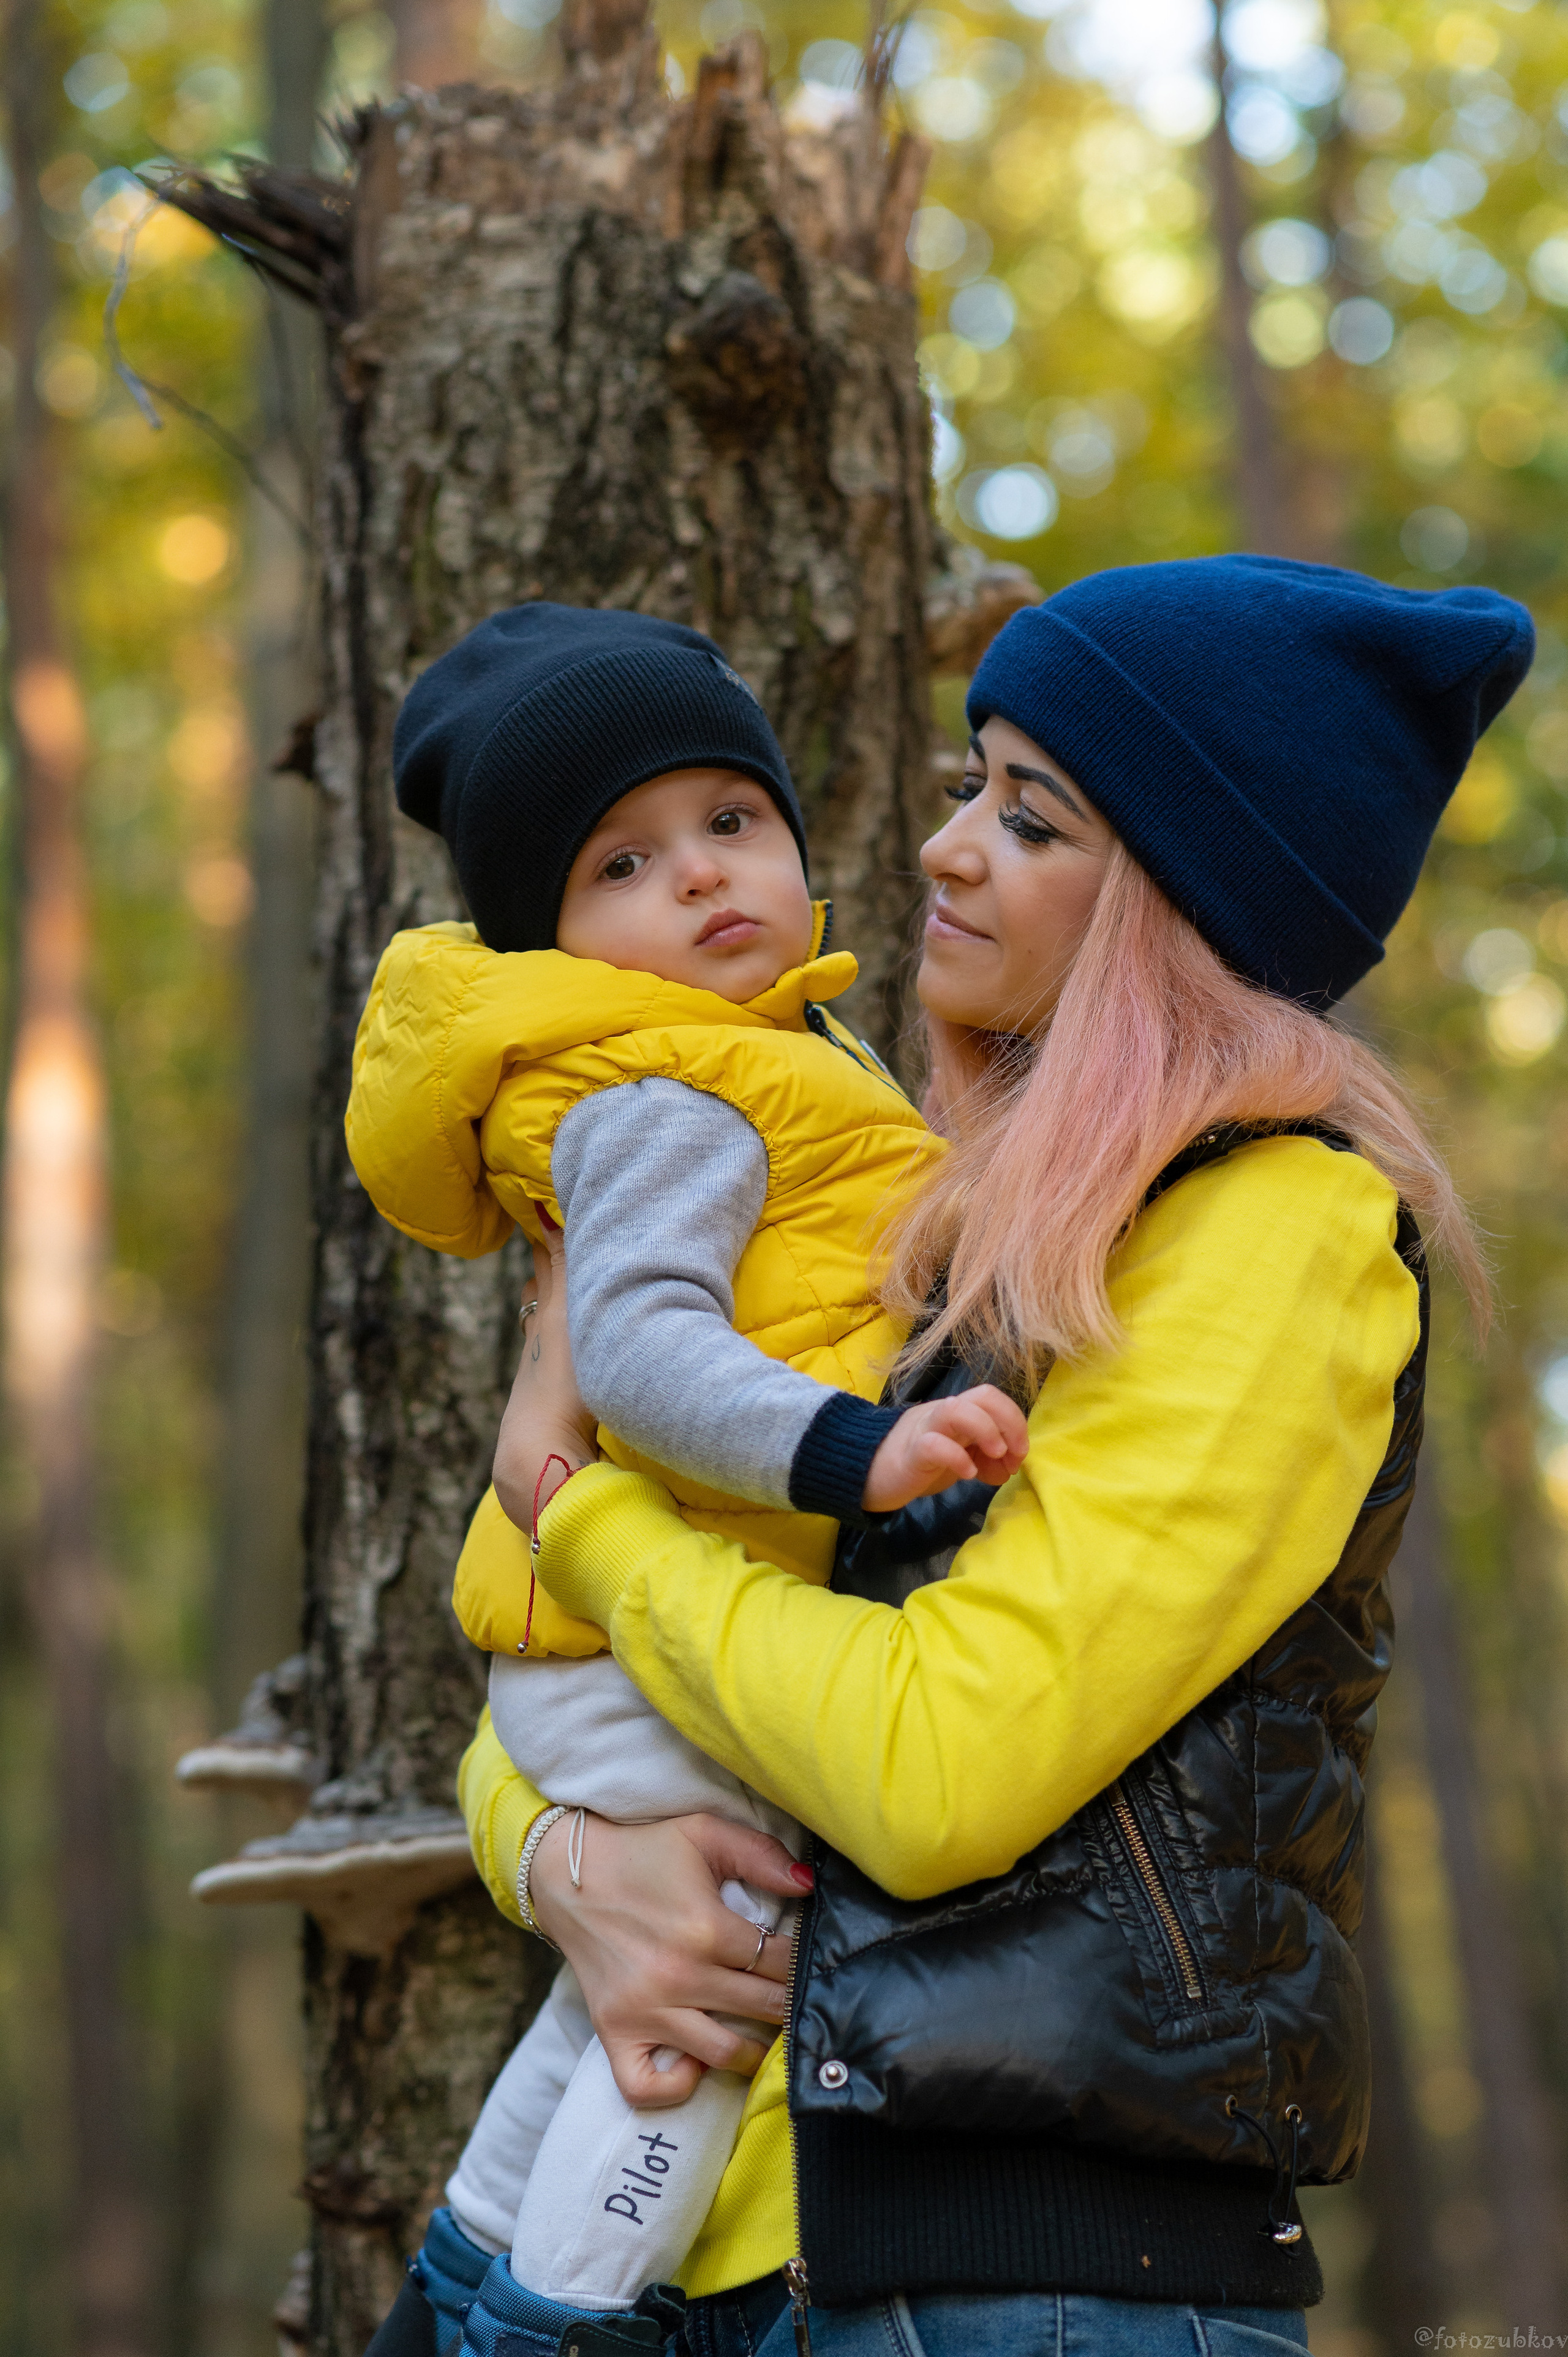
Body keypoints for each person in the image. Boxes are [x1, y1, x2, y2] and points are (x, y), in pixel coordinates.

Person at [443, 556, 1531, 2357]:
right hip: (724, 2251)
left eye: (1032, 821)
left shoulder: (1277, 1236)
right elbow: (564, 1705)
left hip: (1037, 2279)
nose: (947, 847)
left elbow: (936, 1759)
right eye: (972, 790)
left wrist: (584, 1512)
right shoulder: (916, 1222)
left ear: (1183, 897)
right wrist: (565, 1862)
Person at [348, 603, 1027, 2355]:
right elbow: (642, 1358)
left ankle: (467, 2276)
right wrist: (854, 1452)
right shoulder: (670, 1094)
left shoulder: (776, 1065)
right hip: (643, 1646)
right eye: (622, 865)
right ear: (557, 939)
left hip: (596, 1651)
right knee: (698, 2023)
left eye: (731, 821)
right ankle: (563, 2324)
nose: (704, 878)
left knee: (598, 2022)